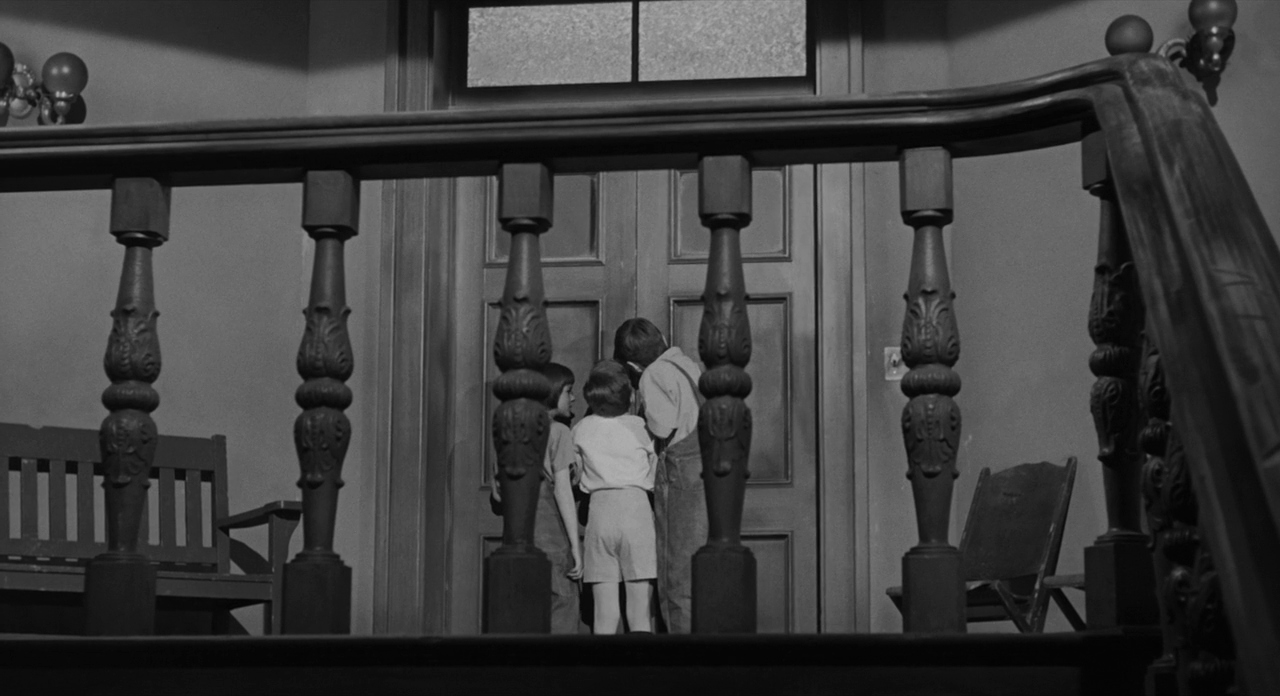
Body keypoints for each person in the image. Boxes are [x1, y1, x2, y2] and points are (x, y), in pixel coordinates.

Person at [613, 318, 705, 635]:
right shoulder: (687, 364)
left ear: (631, 366)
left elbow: (663, 427)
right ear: (663, 338)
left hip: (681, 476)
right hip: (707, 470)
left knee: (675, 569)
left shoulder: (652, 374)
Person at [490, 362, 583, 634]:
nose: (573, 398)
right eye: (568, 391)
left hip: (517, 539)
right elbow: (563, 491)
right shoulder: (558, 432)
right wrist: (576, 548)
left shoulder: (511, 432)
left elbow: (498, 494)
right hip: (552, 539)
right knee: (561, 608)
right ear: (552, 392)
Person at [573, 360, 658, 635]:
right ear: (630, 396)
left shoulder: (581, 429)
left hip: (600, 512)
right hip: (636, 511)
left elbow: (575, 473)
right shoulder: (642, 427)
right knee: (640, 612)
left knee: (604, 614)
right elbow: (655, 470)